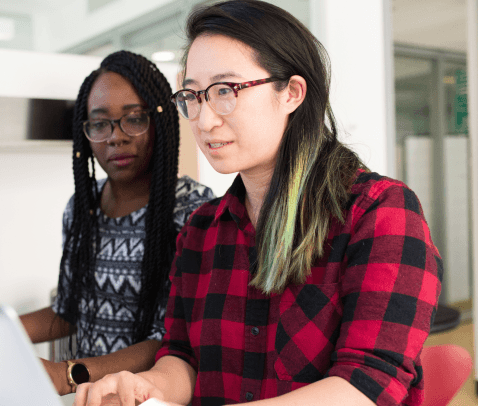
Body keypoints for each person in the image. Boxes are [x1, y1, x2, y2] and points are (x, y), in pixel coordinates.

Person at [74, 1, 441, 406]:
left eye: (226, 90)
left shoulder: (379, 212)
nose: (205, 119)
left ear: (292, 93)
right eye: (194, 95)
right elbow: (182, 357)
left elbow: (368, 385)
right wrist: (147, 388)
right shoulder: (201, 229)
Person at [19, 50, 215, 396]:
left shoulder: (192, 211)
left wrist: (68, 374)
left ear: (160, 122)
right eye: (100, 123)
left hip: (148, 397)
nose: (116, 137)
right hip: (90, 398)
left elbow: (172, 340)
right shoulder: (82, 208)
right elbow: (69, 310)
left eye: (134, 119)